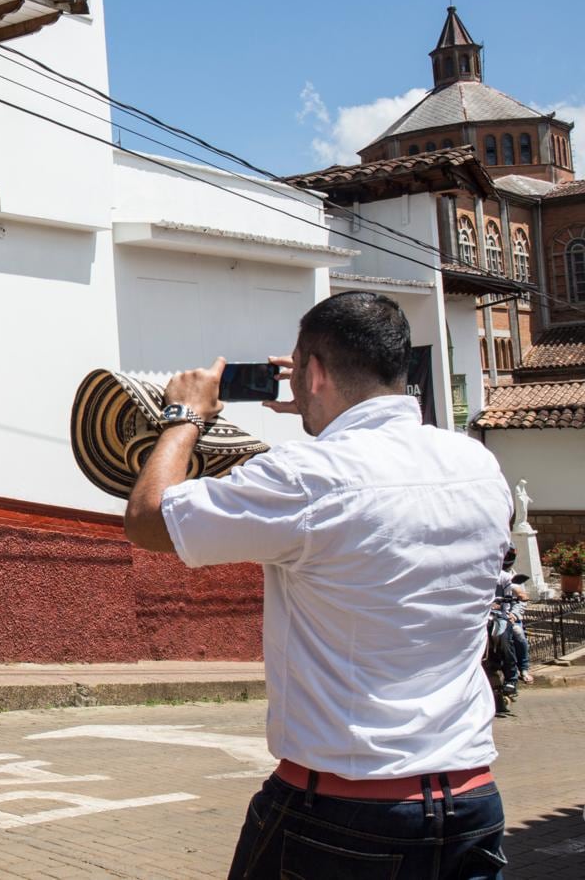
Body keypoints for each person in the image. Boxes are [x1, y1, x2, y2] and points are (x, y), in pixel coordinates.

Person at [123, 291, 512, 878]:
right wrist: (323, 405)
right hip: (470, 801)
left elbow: (150, 518)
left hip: (341, 811)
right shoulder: (476, 465)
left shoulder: (308, 476)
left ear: (315, 372)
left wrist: (185, 418)